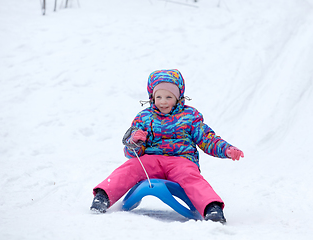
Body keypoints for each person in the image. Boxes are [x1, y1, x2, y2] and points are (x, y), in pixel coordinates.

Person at [90, 69, 244, 223]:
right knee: (131, 166)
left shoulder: (190, 116)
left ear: (178, 98)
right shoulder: (144, 117)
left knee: (191, 177)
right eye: (159, 97)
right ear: (152, 97)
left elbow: (207, 138)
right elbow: (131, 152)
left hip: (181, 160)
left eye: (169, 97)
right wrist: (135, 141)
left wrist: (226, 150)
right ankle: (103, 196)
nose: (163, 101)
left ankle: (211, 207)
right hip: (150, 161)